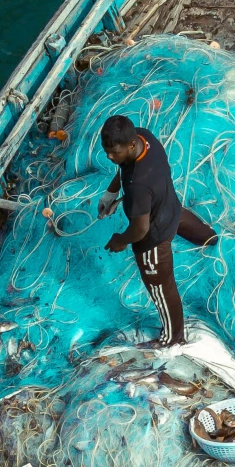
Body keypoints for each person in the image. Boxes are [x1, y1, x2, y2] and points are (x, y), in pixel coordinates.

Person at [97, 112, 217, 347]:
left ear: (131, 145)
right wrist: (112, 192)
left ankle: (173, 338)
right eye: (107, 151)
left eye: (115, 152)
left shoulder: (139, 185)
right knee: (184, 222)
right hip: (171, 206)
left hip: (153, 236)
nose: (110, 157)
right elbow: (124, 167)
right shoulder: (143, 136)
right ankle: (212, 239)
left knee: (162, 287)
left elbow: (140, 229)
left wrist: (120, 240)